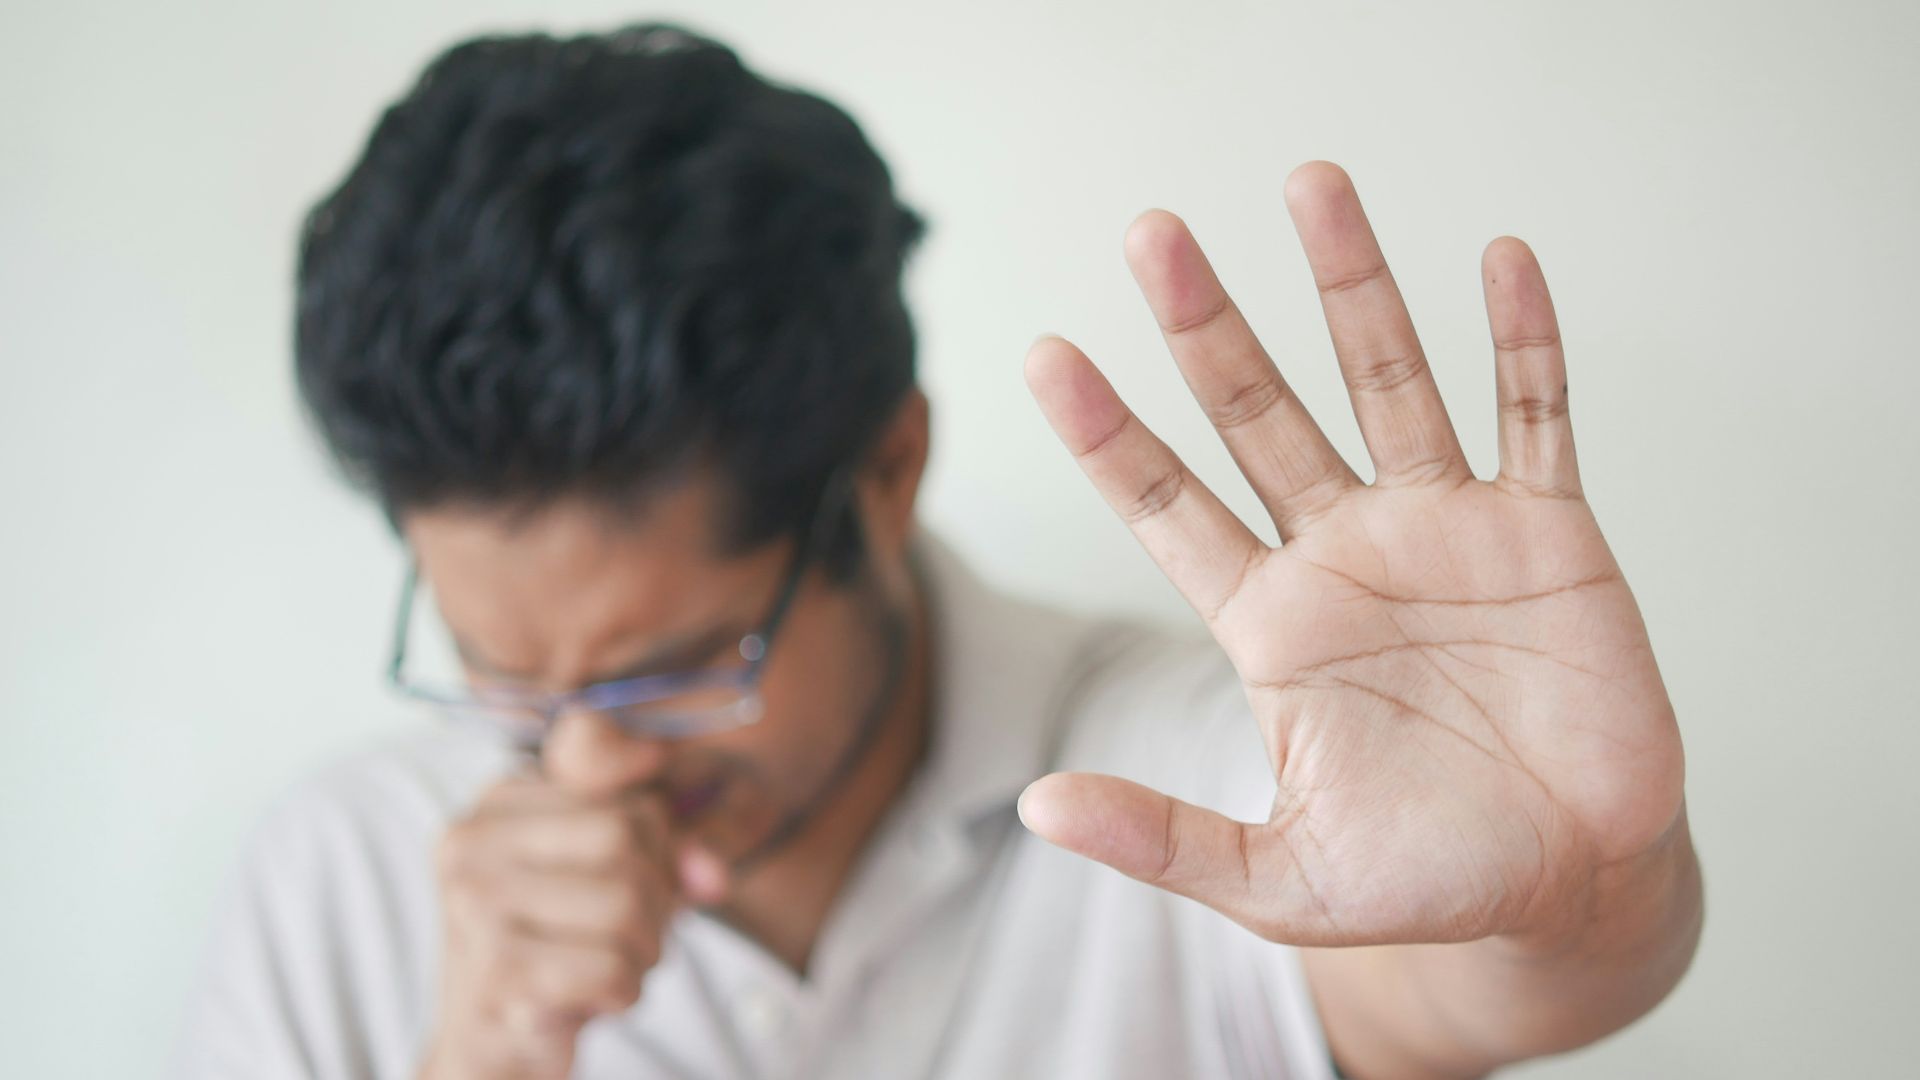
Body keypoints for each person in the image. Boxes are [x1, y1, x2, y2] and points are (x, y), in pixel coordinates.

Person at [172, 21, 1703, 1080]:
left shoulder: (1201, 765)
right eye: (502, 679)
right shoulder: (339, 878)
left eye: (682, 670)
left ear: (888, 470)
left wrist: (1576, 895)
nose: (586, 767)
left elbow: (1466, 974)